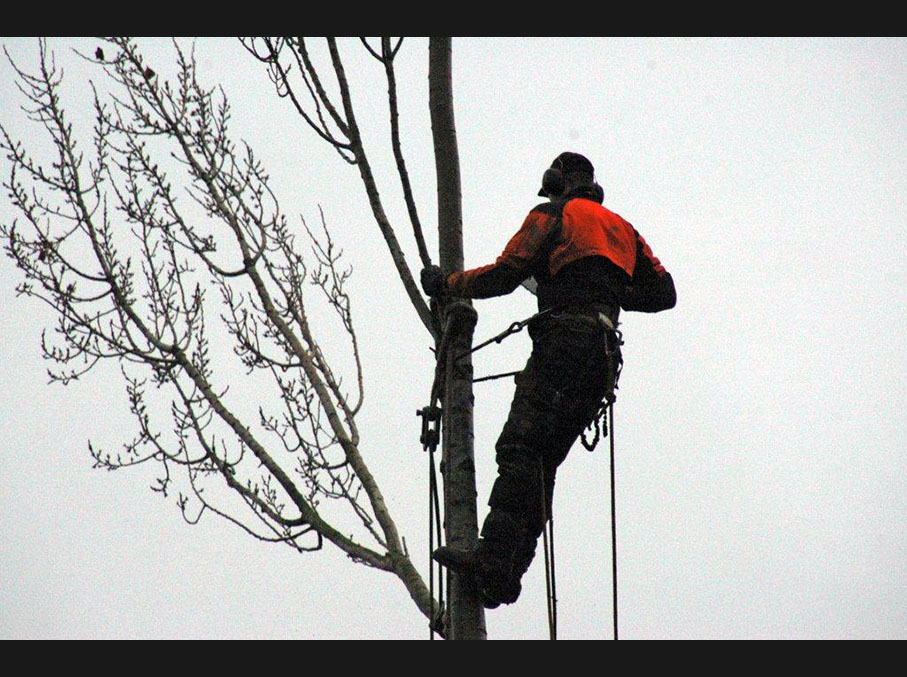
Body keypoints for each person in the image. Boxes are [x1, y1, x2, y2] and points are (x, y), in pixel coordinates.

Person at [420, 152, 676, 608]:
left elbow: (506, 273)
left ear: (559, 183)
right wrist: (605, 294)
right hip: (600, 355)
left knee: (521, 448)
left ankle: (495, 560)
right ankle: (507, 574)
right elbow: (664, 293)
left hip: (563, 344)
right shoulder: (622, 229)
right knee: (543, 465)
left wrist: (449, 285)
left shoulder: (553, 214)